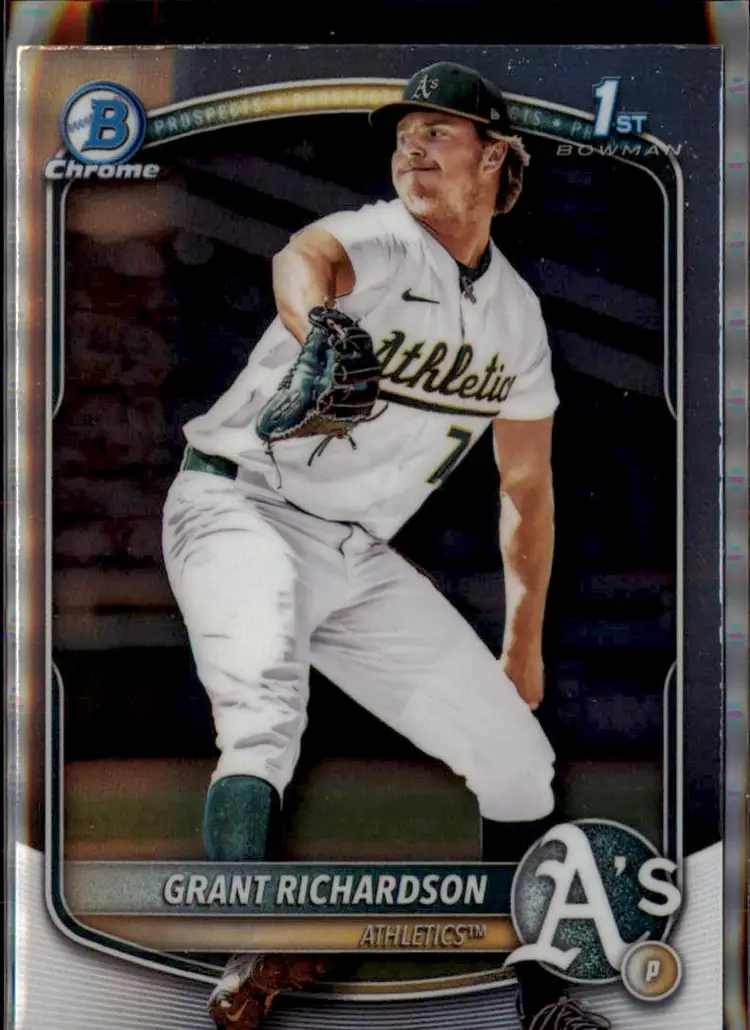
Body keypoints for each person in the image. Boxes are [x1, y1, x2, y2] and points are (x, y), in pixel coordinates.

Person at [161, 61, 611, 1030]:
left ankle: (541, 1001)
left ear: (494, 156)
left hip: (356, 553)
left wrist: (522, 640)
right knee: (262, 715)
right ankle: (252, 938)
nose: (412, 146)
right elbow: (306, 254)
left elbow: (525, 488)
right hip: (238, 505)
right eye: (405, 134)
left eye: (437, 131)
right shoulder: (384, 237)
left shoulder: (517, 315)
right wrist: (318, 321)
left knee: (517, 760)